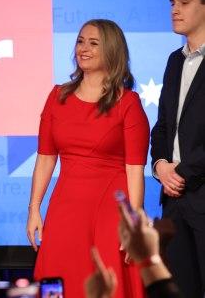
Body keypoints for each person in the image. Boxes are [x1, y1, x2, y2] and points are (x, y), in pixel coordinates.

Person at [26, 19, 150, 297]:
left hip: (110, 211)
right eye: (81, 41)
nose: (83, 48)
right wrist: (34, 208)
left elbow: (134, 169)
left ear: (112, 50)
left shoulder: (128, 103)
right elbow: (46, 158)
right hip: (65, 207)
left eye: (93, 43)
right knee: (63, 277)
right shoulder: (57, 96)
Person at [150, 0, 205, 297]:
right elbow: (163, 126)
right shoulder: (174, 61)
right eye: (172, 2)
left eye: (184, 2)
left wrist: (181, 172)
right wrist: (159, 165)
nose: (175, 9)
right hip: (174, 201)